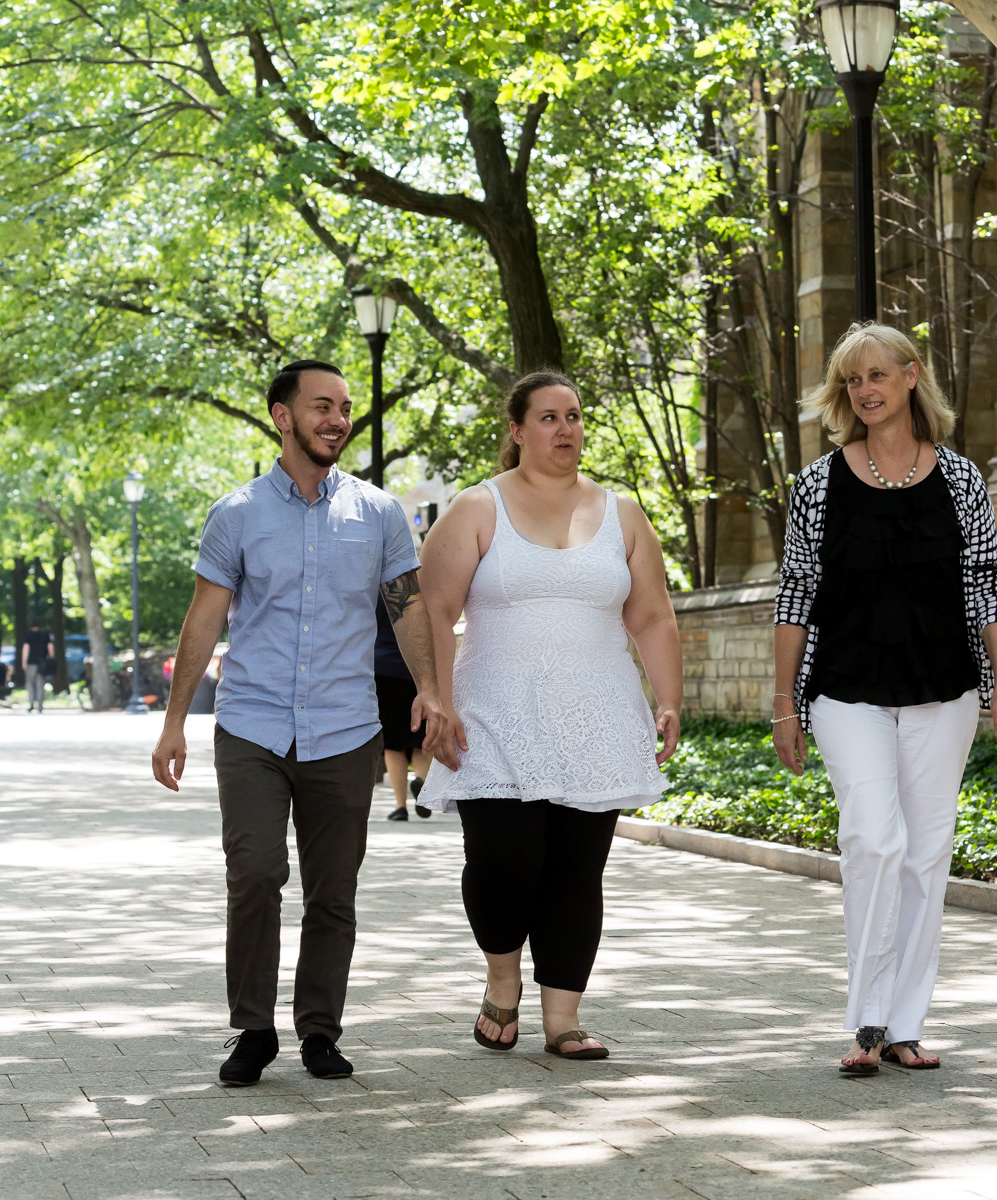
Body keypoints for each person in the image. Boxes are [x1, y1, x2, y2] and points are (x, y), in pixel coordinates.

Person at [151, 359, 459, 1087]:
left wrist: (431, 691)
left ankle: (320, 1029)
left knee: (334, 889)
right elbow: (205, 618)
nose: (337, 419)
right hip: (253, 724)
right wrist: (173, 723)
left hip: (346, 728)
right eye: (322, 406)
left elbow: (406, 606)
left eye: (345, 408)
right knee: (255, 872)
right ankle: (253, 1029)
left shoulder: (379, 513)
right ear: (283, 415)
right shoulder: (236, 513)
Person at [772, 323, 997, 1076]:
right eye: (853, 380)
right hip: (846, 690)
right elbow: (795, 597)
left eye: (878, 374)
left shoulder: (961, 479)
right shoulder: (818, 485)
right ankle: (866, 1020)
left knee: (925, 854)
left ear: (912, 377)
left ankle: (904, 1023)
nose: (865, 390)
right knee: (874, 840)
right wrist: (785, 704)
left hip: (943, 690)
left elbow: (986, 582)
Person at [419, 370, 683, 1061]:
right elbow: (434, 609)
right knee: (506, 863)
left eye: (573, 416)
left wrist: (669, 699)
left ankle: (563, 1019)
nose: (565, 429)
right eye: (547, 417)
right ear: (516, 430)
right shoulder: (478, 509)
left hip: (596, 718)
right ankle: (501, 980)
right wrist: (437, 700)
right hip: (495, 716)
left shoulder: (622, 514)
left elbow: (652, 615)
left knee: (576, 870)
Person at [374, 595, 432, 821]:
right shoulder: (419, 589)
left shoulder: (379, 591)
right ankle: (422, 783)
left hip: (384, 667)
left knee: (392, 743)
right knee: (419, 738)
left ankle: (400, 806)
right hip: (416, 672)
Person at [22, 623, 52, 713]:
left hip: (31, 663)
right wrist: (51, 658)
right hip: (42, 663)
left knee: (30, 684)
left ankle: (31, 703)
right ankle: (40, 706)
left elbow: (26, 648)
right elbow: (50, 646)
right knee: (40, 684)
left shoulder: (29, 635)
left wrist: (24, 662)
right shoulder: (45, 634)